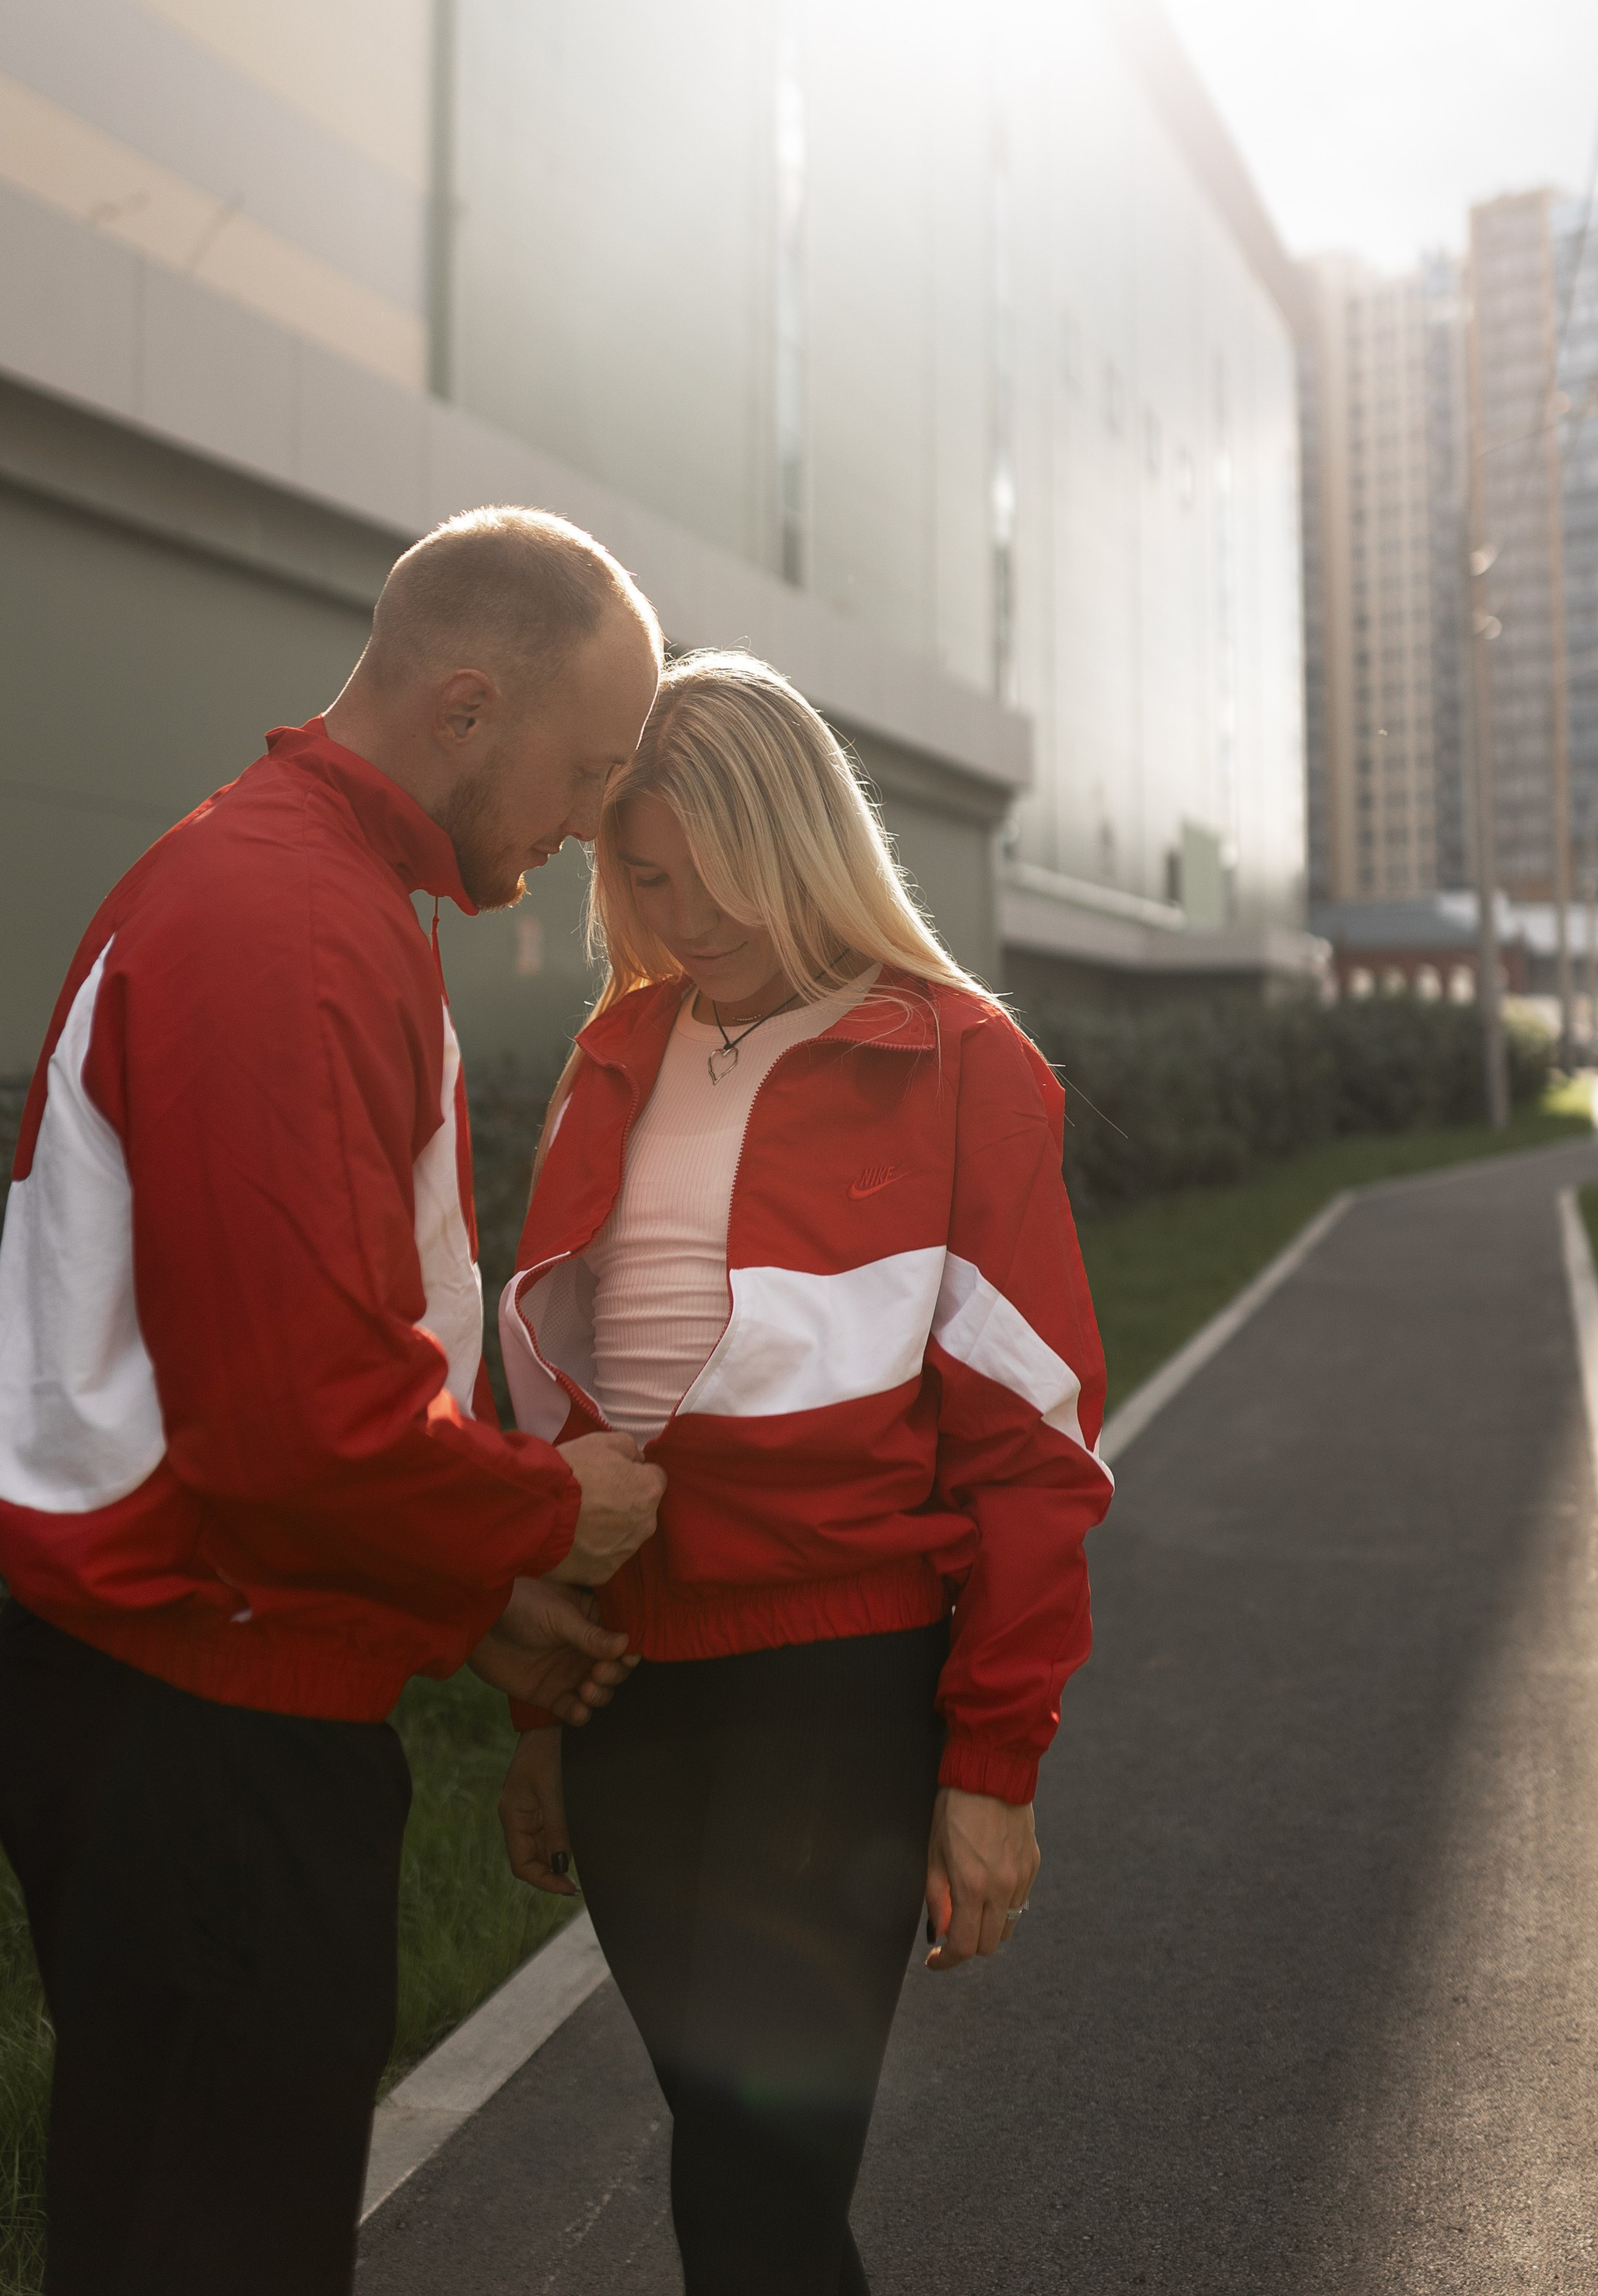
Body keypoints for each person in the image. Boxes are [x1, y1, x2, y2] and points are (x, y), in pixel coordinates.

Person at [0, 505, 671, 2296]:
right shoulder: (287, 920)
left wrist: (474, 1602)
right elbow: (298, 1422)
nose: (594, 818)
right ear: (466, 707)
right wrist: (550, 1516)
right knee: (210, 2241)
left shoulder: (301, 883)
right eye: (588, 768)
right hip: (200, 1720)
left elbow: (284, 1387)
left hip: (198, 1678)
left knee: (188, 2214)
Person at [495, 649, 1113, 2296]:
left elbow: (1031, 1450)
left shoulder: (959, 1059)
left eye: (719, 875)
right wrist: (539, 1715)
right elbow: (552, 1411)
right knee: (731, 2166)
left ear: (804, 841)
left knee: (753, 2197)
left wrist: (991, 1763)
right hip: (623, 1683)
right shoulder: (613, 1057)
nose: (684, 918)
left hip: (832, 1689)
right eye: (641, 875)